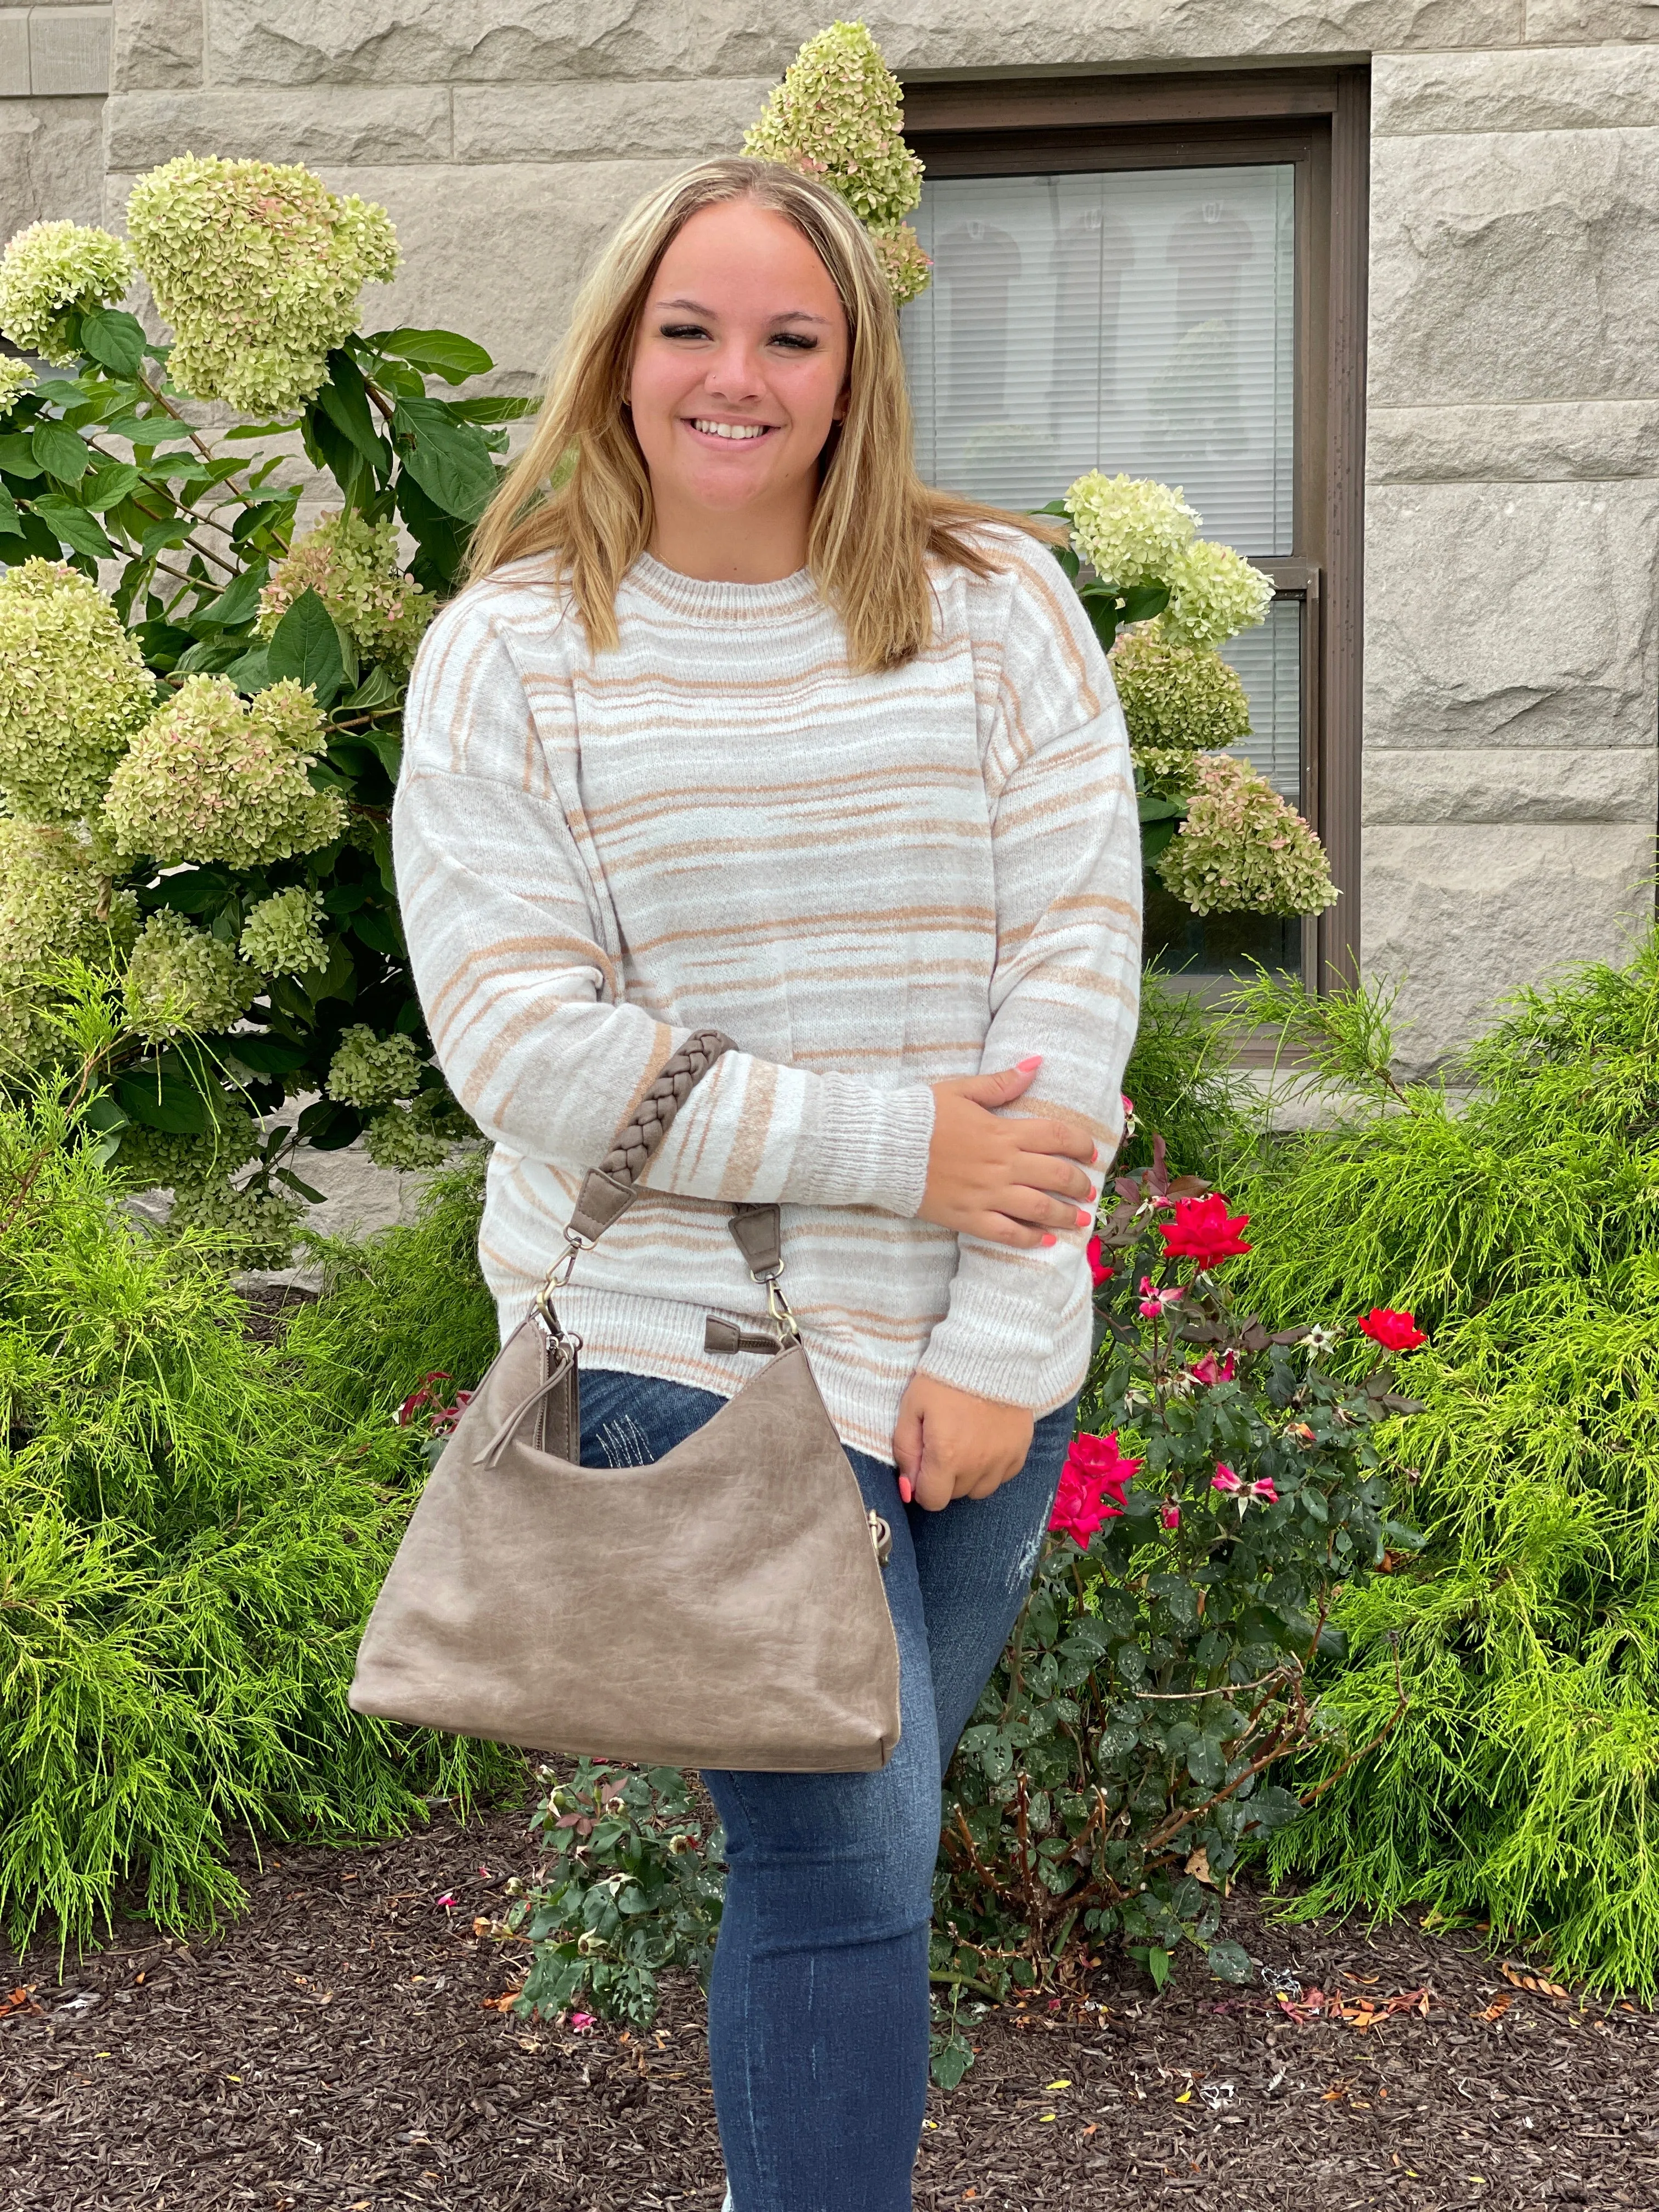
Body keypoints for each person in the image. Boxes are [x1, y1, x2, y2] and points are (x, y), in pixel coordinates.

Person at [395, 155, 1141, 2212]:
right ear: (624, 354)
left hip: (982, 1350)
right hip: (683, 1345)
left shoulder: (997, 613)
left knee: (860, 1856)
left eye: (790, 337)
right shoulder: (515, 653)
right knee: (847, 1853)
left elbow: (1073, 973)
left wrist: (997, 1329)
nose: (740, 376)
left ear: (853, 366)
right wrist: (898, 1142)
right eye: (694, 330)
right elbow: (527, 1047)